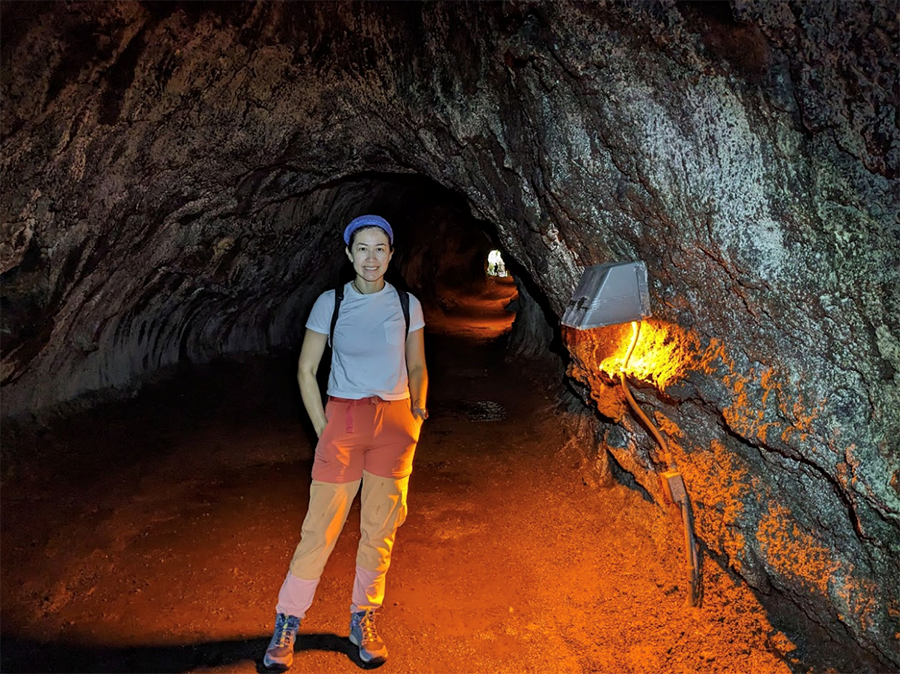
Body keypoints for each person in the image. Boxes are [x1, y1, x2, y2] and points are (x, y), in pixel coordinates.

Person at [263, 214, 428, 670]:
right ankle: (288, 620)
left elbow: (416, 364)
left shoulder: (408, 304)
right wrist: (323, 429)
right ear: (348, 254)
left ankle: (364, 616)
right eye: (362, 248)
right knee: (319, 530)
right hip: (344, 419)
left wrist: (417, 410)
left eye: (380, 248)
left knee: (380, 530)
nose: (371, 257)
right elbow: (305, 369)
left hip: (394, 424)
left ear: (391, 255)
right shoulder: (329, 303)